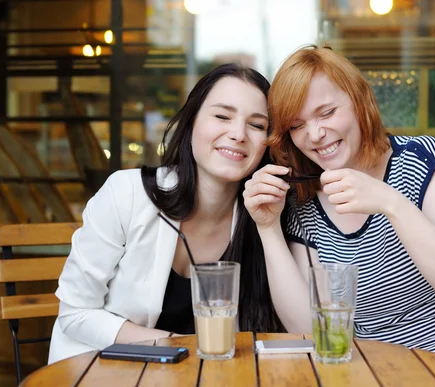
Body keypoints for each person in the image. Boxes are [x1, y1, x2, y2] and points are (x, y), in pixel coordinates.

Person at [243, 46, 435, 386]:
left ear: (359, 100)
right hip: (391, 377)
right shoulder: (305, 205)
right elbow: (311, 330)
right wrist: (268, 227)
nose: (315, 134)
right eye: (297, 125)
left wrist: (391, 203)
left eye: (327, 112)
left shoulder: (423, 161)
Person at [49, 63, 284, 364]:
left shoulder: (261, 216)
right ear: (191, 123)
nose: (238, 134)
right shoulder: (127, 194)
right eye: (222, 116)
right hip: (104, 371)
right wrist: (172, 345)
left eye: (257, 125)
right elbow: (76, 313)